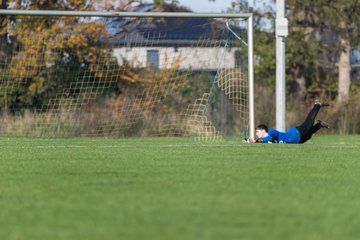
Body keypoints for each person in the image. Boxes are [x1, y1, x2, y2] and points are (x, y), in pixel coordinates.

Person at [248, 101, 330, 144]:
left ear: (263, 131)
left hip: (295, 134)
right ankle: (319, 124)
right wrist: (249, 141)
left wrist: (257, 140)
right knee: (309, 134)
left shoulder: (271, 132)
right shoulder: (265, 140)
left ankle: (317, 105)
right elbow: (266, 142)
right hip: (297, 141)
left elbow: (270, 138)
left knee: (309, 122)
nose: (256, 134)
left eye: (257, 132)